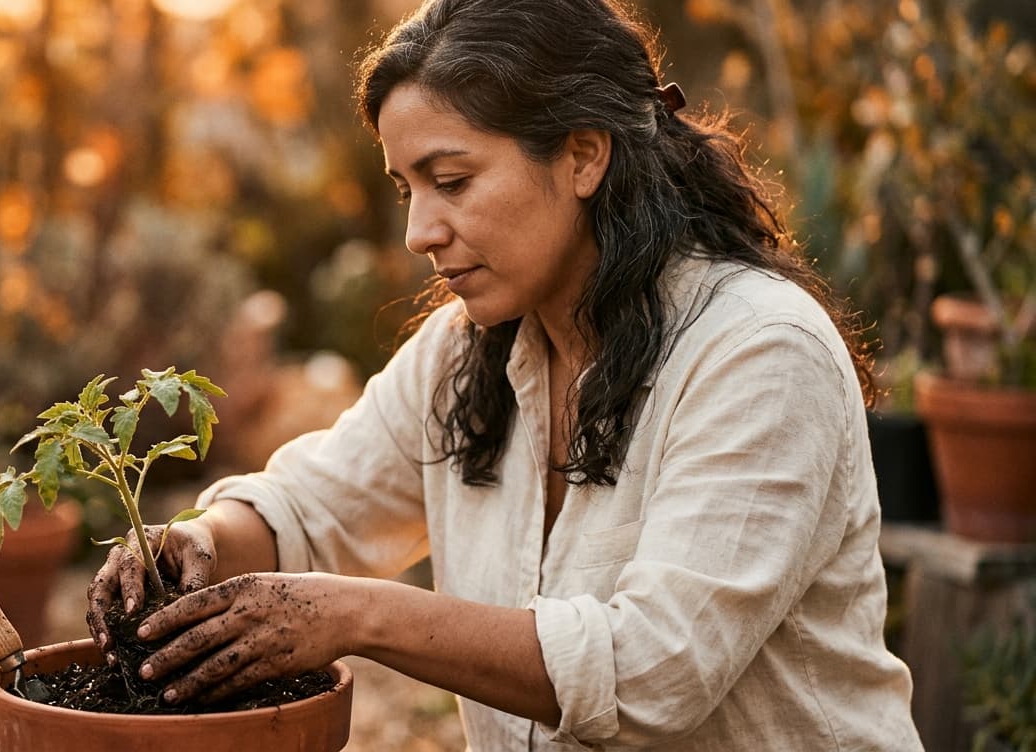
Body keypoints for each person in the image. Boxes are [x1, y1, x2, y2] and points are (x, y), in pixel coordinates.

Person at [87, 0, 924, 748]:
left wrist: (356, 614)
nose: (420, 230)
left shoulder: (757, 352)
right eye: (407, 188)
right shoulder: (466, 349)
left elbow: (651, 675)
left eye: (452, 181)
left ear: (583, 157)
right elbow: (315, 507)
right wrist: (196, 540)